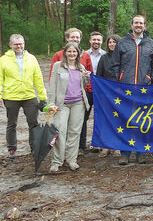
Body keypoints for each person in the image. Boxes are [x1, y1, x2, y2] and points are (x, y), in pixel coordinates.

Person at [111, 15, 153, 165]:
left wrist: (149, 78)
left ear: (145, 26)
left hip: (143, 89)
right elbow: (115, 64)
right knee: (125, 120)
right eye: (136, 23)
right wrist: (119, 81)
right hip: (125, 88)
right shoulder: (122, 42)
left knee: (142, 120)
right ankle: (125, 153)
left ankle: (141, 152)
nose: (139, 25)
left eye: (141, 23)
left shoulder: (150, 43)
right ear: (132, 25)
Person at [0, 34, 48, 159]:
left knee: (33, 123)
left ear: (24, 44)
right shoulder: (4, 60)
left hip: (29, 96)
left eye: (21, 43)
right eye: (16, 44)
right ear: (10, 45)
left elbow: (38, 78)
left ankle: (34, 147)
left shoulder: (31, 58)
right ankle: (12, 148)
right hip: (11, 97)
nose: (19, 46)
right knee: (12, 123)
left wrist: (42, 96)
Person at [48, 42, 90, 172]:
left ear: (78, 54)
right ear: (65, 53)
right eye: (69, 51)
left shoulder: (81, 67)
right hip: (62, 104)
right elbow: (52, 85)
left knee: (74, 132)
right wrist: (51, 103)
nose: (72, 54)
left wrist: (86, 78)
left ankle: (71, 159)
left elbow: (84, 85)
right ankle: (57, 161)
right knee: (60, 131)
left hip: (78, 103)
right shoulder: (57, 66)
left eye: (74, 52)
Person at [95, 34, 121, 158]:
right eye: (110, 42)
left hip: (120, 95)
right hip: (106, 94)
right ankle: (106, 146)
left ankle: (117, 146)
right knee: (106, 120)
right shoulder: (104, 58)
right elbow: (99, 76)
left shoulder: (123, 57)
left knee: (118, 120)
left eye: (114, 42)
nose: (112, 44)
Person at [81, 31, 104, 153]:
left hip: (101, 91)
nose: (96, 42)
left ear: (102, 41)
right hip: (87, 90)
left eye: (98, 40)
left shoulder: (105, 55)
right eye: (94, 39)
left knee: (101, 117)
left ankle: (99, 143)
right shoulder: (83, 55)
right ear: (90, 40)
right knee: (83, 117)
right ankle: (82, 144)